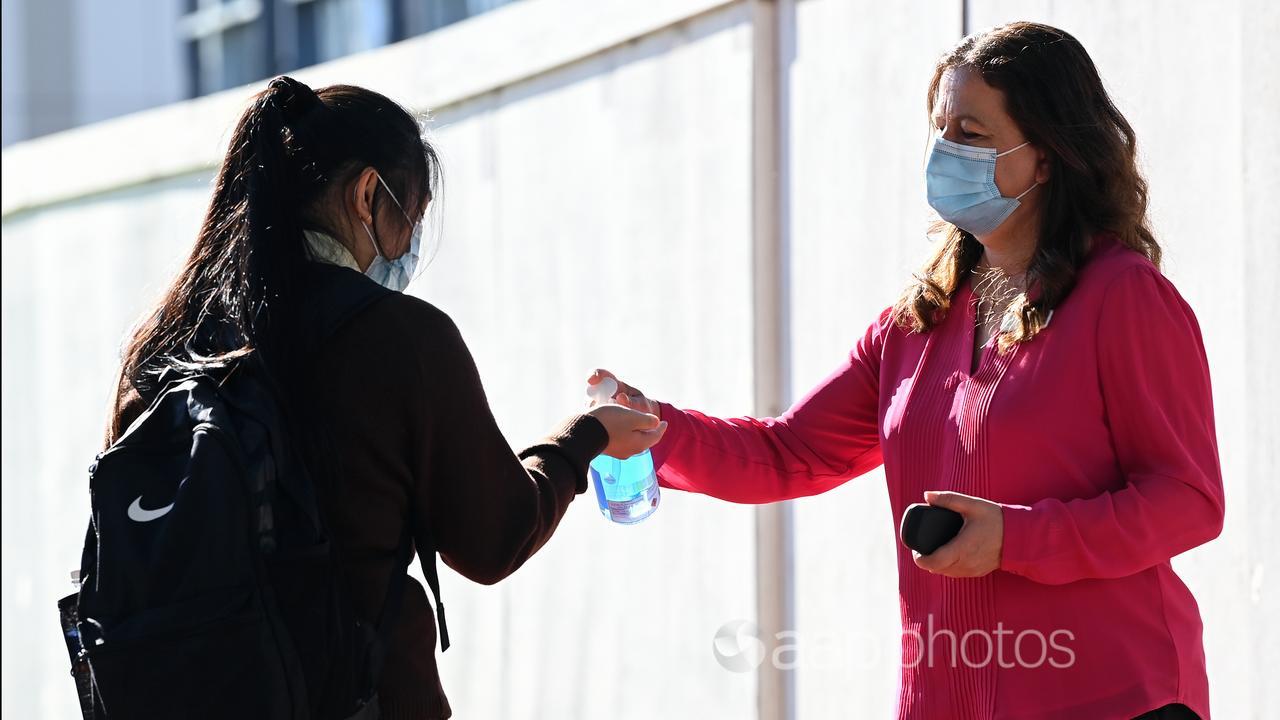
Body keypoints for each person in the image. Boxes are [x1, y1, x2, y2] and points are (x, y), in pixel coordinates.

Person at [591, 22, 1222, 720]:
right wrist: (654, 429)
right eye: (941, 129)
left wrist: (1017, 539)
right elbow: (788, 453)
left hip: (1114, 697)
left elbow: (1187, 499)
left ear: (1046, 157)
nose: (947, 150)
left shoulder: (1123, 296)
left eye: (972, 133)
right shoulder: (917, 322)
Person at [103, 76, 667, 719]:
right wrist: (585, 439)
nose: (408, 250)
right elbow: (492, 539)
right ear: (369, 194)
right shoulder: (396, 336)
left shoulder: (164, 343)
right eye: (412, 220)